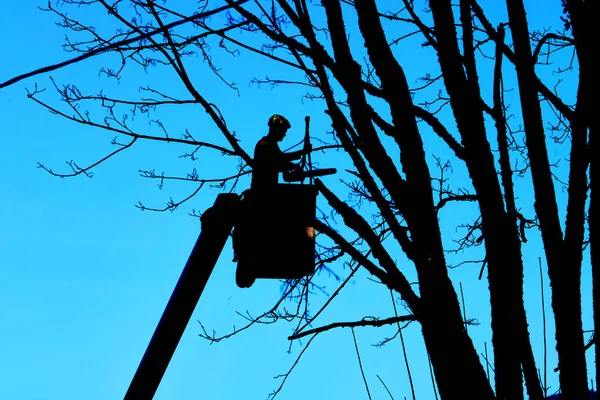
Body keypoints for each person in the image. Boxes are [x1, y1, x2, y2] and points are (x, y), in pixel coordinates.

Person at [250, 114, 311, 190]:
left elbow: (278, 161)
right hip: (261, 189)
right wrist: (301, 153)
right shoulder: (264, 144)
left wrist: (292, 166)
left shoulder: (272, 145)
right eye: (284, 131)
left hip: (269, 187)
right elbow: (278, 160)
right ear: (277, 129)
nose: (285, 134)